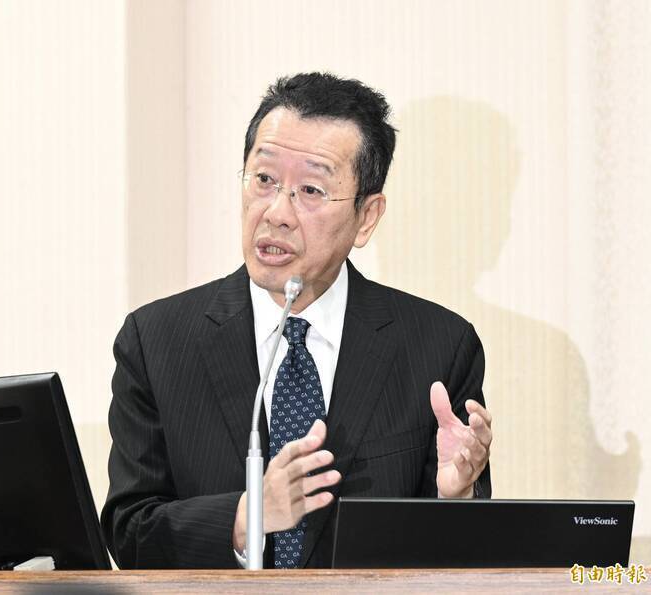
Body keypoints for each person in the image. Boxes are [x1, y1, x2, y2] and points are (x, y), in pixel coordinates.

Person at [101, 72, 493, 569]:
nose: (276, 213)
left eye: (311, 189)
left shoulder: (440, 346)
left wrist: (454, 501)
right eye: (264, 180)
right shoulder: (156, 341)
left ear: (367, 217)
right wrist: (247, 516)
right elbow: (130, 534)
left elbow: (464, 560)